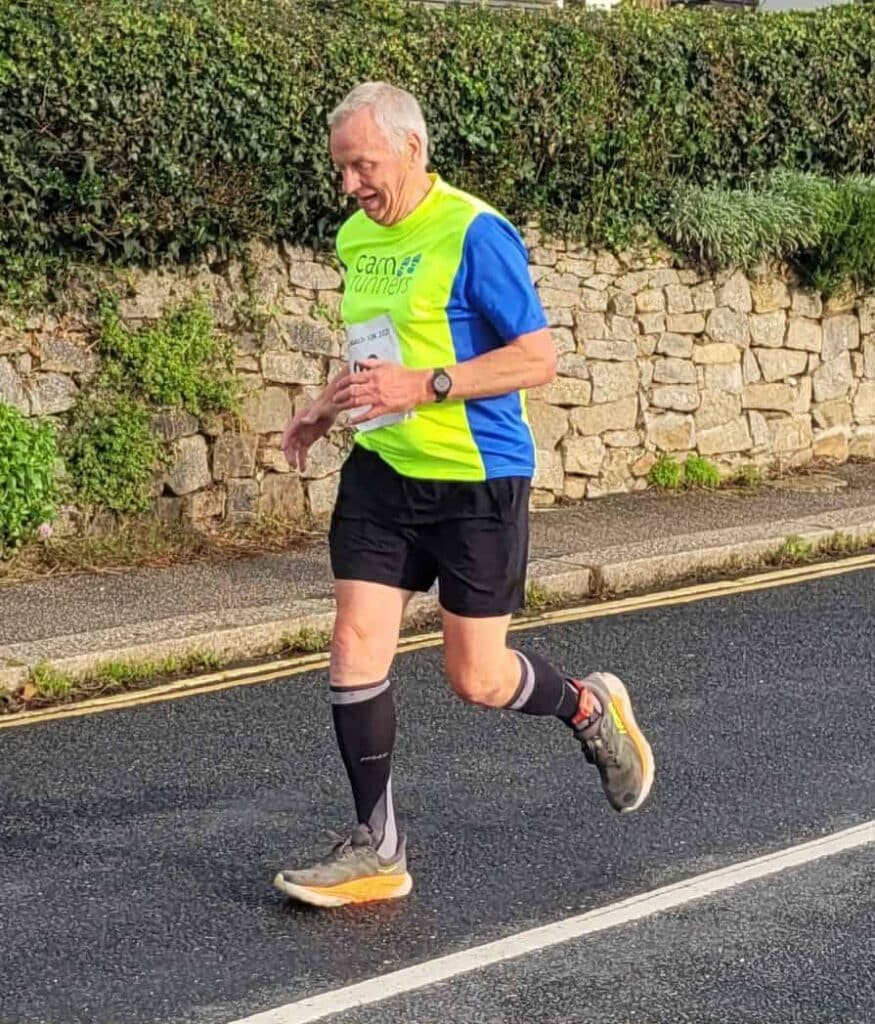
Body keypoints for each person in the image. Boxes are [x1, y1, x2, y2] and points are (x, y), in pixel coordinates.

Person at [274, 82, 654, 908]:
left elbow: (535, 359)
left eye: (362, 166)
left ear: (411, 149)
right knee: (352, 646)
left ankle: (587, 707)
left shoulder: (475, 232)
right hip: (383, 472)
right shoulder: (355, 240)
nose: (349, 186)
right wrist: (324, 406)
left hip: (477, 476)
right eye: (340, 169)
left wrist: (429, 385)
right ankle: (376, 846)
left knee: (476, 678)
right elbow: (381, 357)